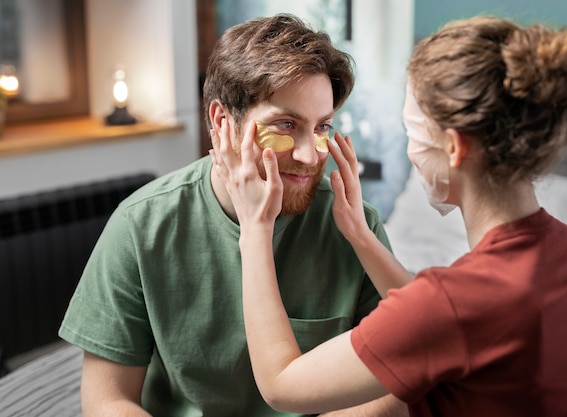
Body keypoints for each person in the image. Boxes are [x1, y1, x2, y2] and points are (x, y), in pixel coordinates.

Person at [210, 15, 567, 417]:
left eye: (414, 132)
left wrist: (255, 228)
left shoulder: (455, 303)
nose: (411, 152)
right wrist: (360, 236)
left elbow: (282, 386)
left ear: (453, 147)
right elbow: (440, 320)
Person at [58, 14, 408, 417]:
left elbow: (396, 381)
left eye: (322, 127)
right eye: (286, 124)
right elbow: (107, 399)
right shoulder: (141, 225)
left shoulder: (354, 225)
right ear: (222, 122)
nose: (311, 156)